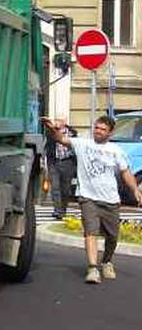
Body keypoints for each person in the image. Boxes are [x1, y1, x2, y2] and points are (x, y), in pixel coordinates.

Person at [44, 115, 142, 283]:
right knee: (91, 232)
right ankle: (92, 268)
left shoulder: (116, 151)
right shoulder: (82, 143)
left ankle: (106, 261)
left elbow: (126, 172)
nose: (98, 131)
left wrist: (135, 190)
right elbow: (61, 139)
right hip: (88, 198)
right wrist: (52, 128)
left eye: (103, 129)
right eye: (97, 127)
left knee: (112, 237)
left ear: (110, 133)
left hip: (110, 200)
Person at [45, 120, 77, 219]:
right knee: (55, 187)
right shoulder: (50, 133)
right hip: (54, 163)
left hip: (67, 163)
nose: (57, 122)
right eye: (56, 120)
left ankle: (63, 209)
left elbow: (76, 148)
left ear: (64, 122)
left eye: (59, 120)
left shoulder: (72, 133)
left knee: (65, 189)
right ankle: (57, 210)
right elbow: (46, 146)